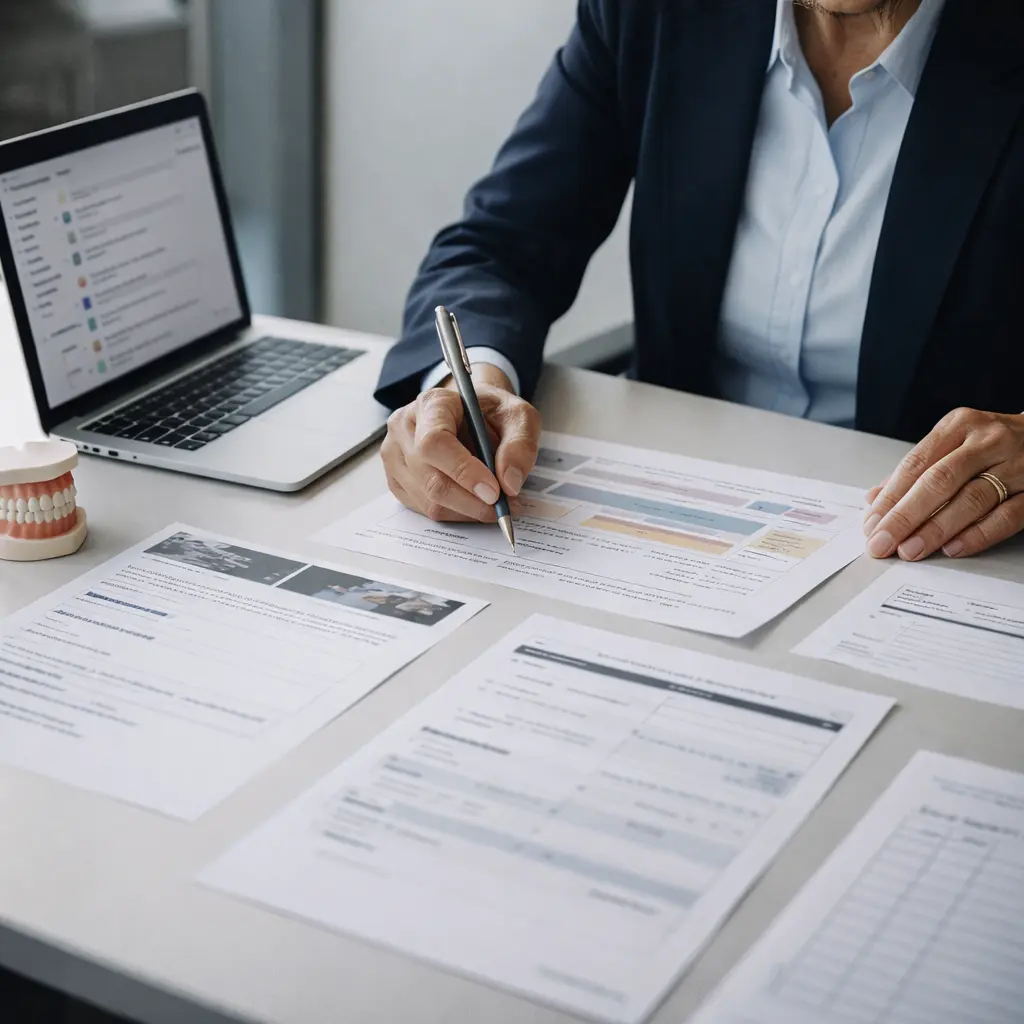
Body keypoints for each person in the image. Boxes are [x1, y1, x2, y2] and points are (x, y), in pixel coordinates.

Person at [376, 0, 1024, 564]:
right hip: (675, 523)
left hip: (937, 554)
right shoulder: (654, 12)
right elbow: (500, 246)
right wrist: (471, 385)